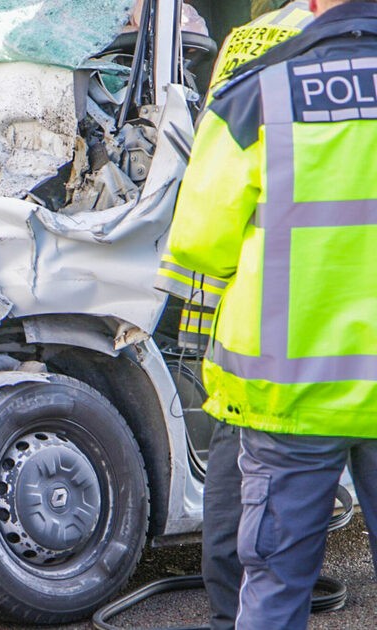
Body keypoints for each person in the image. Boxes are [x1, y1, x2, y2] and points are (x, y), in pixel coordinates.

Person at [168, 0, 377, 627]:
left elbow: (198, 242)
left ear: (313, 6)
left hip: (292, 390)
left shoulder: (259, 85)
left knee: (275, 586)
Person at [157, 4, 312, 628]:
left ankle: (232, 610)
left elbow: (208, 205)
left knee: (234, 445)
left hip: (249, 306)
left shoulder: (248, 38)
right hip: (338, 321)